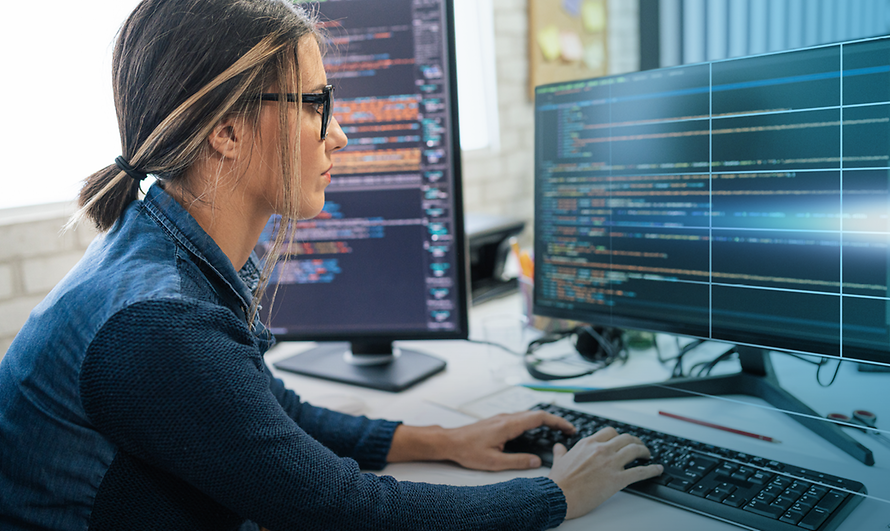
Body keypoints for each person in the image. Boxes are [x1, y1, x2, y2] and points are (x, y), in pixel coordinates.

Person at [0, 0, 663, 529]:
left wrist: (448, 439)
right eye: (316, 104)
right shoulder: (158, 324)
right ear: (224, 130)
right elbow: (338, 508)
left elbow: (267, 413)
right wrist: (555, 493)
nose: (338, 133)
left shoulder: (159, 249)